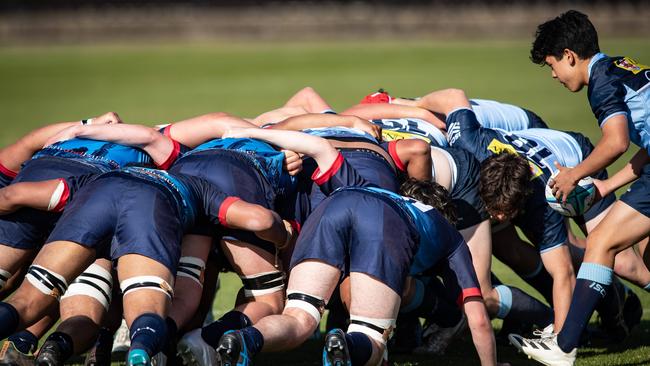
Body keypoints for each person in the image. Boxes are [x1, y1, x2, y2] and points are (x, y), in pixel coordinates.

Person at [209, 127, 503, 366]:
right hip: (384, 223)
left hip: (334, 206)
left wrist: (252, 130)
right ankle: (348, 344)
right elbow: (477, 318)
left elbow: (320, 148)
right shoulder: (448, 236)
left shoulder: (375, 187)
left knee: (298, 318)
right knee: (372, 337)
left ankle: (246, 339)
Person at [0, 164, 292, 366]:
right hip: (153, 204)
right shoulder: (199, 187)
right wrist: (282, 236)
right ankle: (140, 351)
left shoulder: (96, 175)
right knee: (146, 311)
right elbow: (260, 220)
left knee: (28, 301)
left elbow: (12, 195)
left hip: (97, 195)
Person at [508, 10, 650, 365]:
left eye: (553, 65)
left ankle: (564, 345)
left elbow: (615, 142)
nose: (554, 75)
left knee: (601, 242)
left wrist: (574, 174)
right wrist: (606, 187)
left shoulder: (601, 80)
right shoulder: (620, 66)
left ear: (570, 55)